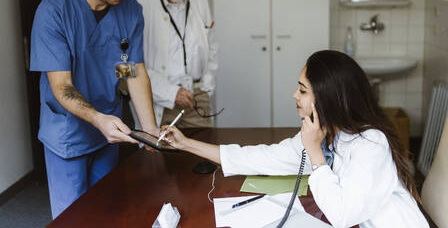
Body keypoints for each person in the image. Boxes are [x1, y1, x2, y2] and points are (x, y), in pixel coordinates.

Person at [163, 50, 429, 228]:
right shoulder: (325, 135)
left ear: (326, 98)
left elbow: (343, 215)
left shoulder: (370, 143)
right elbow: (258, 158)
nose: (294, 95)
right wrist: (185, 143)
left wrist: (314, 154)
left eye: (302, 90)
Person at [30, 0, 160, 219]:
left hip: (109, 130)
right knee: (73, 218)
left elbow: (131, 71)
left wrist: (149, 129)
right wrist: (99, 119)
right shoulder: (54, 11)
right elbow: (61, 86)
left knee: (107, 210)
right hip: (69, 131)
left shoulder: (130, 10)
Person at [133, 0, 218, 128]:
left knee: (203, 152)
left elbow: (211, 47)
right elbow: (131, 67)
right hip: (158, 100)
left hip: (197, 96)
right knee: (160, 154)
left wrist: (207, 86)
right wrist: (170, 93)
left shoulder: (200, 0)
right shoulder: (138, 7)